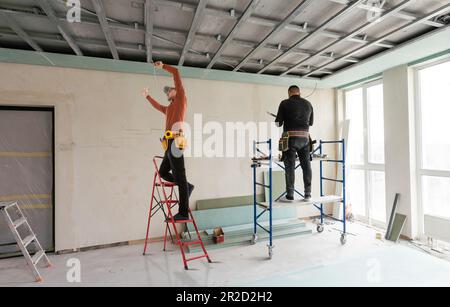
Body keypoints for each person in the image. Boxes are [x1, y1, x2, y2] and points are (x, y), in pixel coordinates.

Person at [141, 61, 194, 221]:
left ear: (177, 92)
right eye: (168, 91)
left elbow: (176, 73)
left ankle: (183, 212)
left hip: (177, 142)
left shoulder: (181, 99)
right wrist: (147, 96)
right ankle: (187, 186)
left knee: (180, 175)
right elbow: (158, 106)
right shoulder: (169, 108)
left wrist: (162, 66)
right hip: (169, 144)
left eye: (171, 89)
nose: (169, 90)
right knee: (163, 172)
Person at [275, 85, 314, 201]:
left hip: (290, 139)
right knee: (306, 166)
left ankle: (290, 194)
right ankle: (308, 194)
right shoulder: (308, 104)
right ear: (299, 92)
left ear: (289, 93)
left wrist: (282, 119)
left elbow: (278, 124)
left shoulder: (284, 103)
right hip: (305, 139)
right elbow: (310, 123)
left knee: (290, 166)